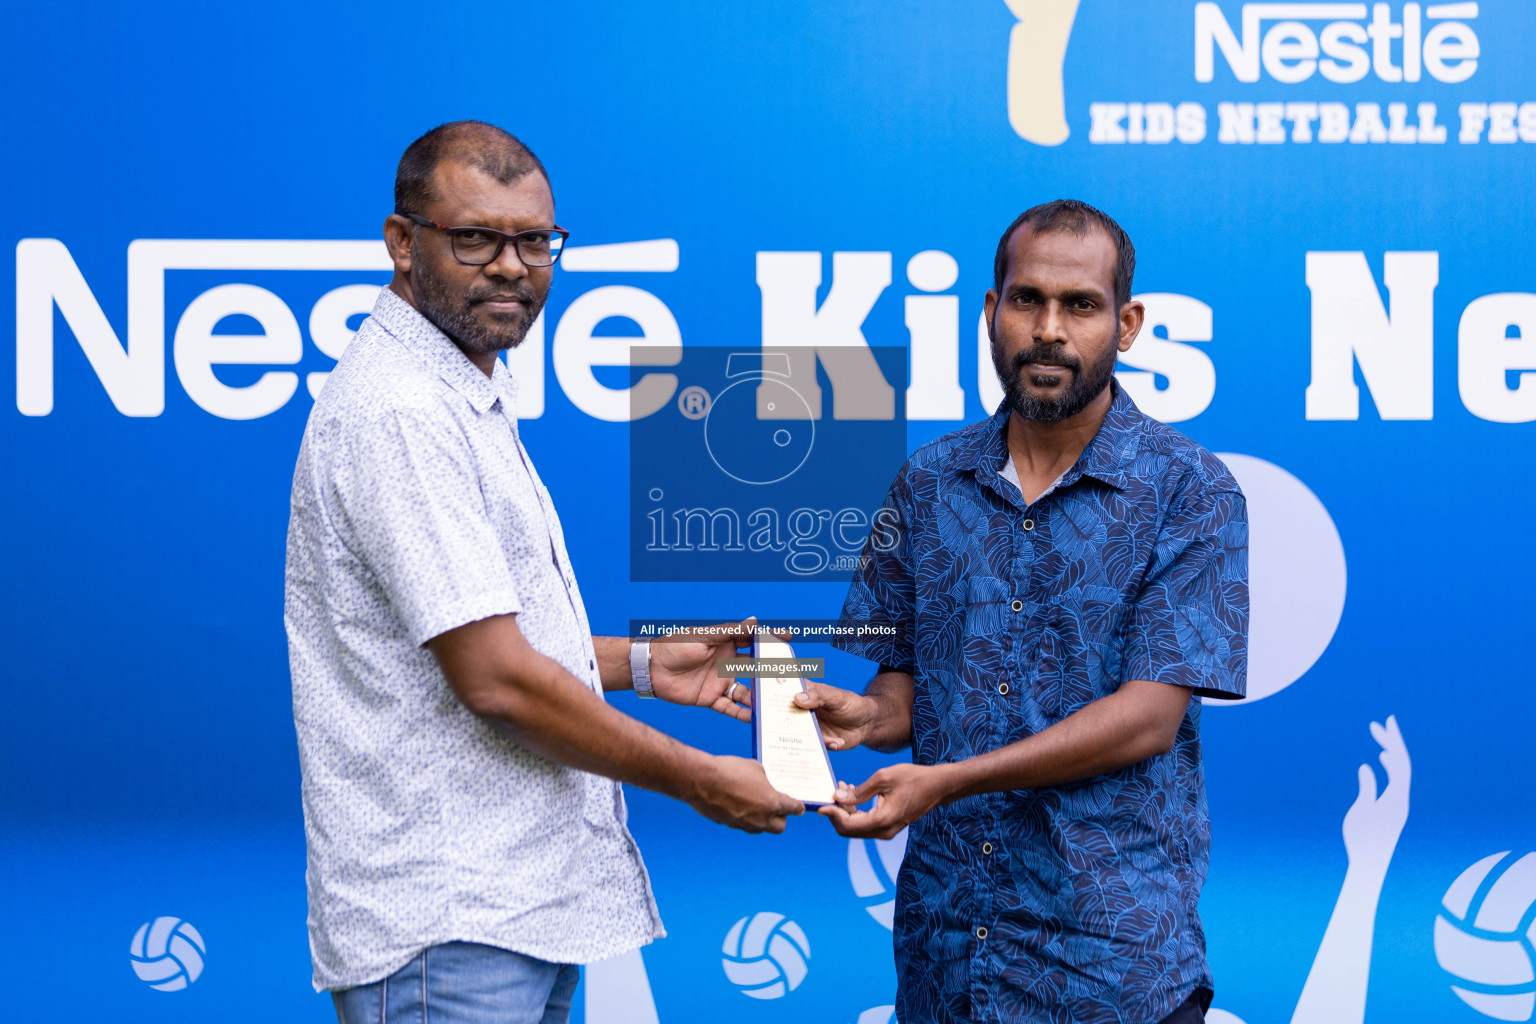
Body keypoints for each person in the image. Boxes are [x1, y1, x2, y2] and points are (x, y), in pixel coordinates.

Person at [284, 120, 802, 1024]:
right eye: (477, 238)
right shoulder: (403, 414)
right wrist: (698, 778)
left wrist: (643, 665)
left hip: (503, 919)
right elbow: (495, 681)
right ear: (402, 244)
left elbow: (468, 642)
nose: (514, 267)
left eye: (536, 241)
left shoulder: (454, 392)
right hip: (450, 932)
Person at [798, 200, 1249, 1024]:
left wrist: (949, 781)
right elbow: (906, 694)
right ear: (990, 313)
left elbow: (1145, 721)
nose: (1049, 328)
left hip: (1112, 972)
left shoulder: (1189, 489)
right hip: (949, 960)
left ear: (1128, 323)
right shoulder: (926, 483)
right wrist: (863, 717)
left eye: (1080, 305)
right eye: (1025, 299)